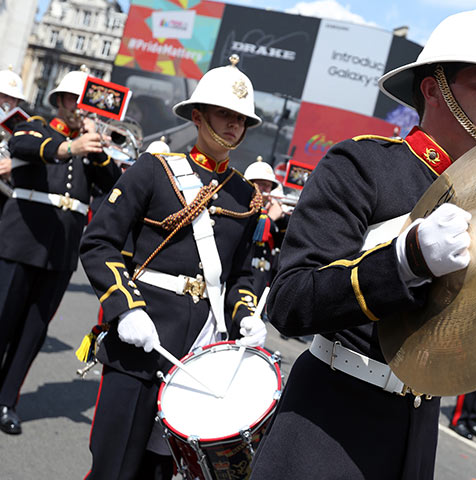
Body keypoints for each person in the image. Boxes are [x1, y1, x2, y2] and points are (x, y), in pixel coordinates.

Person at [249, 2, 476, 479]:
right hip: (330, 422)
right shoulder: (363, 166)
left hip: (416, 433)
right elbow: (289, 301)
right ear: (433, 88)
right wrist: (404, 260)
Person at [79, 55, 267, 480]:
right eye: (225, 113)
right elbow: (99, 243)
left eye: (242, 118)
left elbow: (238, 277)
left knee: (163, 472)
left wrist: (245, 316)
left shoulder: (244, 196)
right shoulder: (153, 169)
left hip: (199, 355)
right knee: (115, 467)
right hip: (141, 343)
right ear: (197, 116)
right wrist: (126, 308)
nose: (235, 124)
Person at [0, 67, 121, 435]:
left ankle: (6, 400)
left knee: (33, 331)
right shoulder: (36, 125)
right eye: (75, 100)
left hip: (60, 251)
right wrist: (70, 146)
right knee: (2, 319)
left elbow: (114, 185)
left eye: (86, 102)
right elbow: (23, 146)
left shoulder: (91, 147)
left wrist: (94, 145)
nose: (81, 108)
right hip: (22, 239)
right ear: (61, 101)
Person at [243, 155, 287, 298]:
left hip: (262, 280)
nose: (265, 189)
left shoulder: (268, 212)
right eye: (260, 184)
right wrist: (271, 218)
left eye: (268, 185)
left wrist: (282, 216)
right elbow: (253, 232)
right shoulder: (242, 209)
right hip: (243, 277)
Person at [0, 66, 27, 213]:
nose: (8, 102)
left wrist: (13, 167)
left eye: (13, 99)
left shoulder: (22, 127)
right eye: (4, 96)